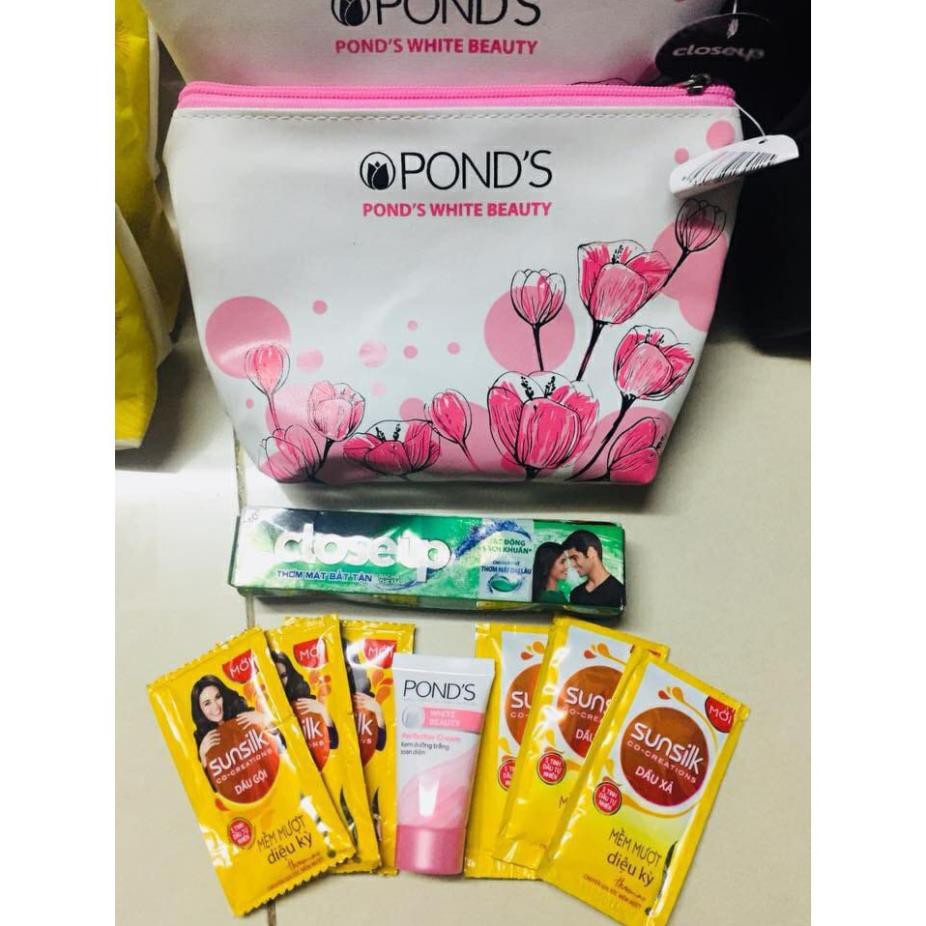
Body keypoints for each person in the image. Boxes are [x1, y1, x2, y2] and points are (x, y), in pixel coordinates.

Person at [190, 675, 273, 770]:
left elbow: (280, 745)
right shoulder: (202, 739)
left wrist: (263, 718)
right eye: (207, 703)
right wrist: (203, 755)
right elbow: (209, 778)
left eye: (218, 697)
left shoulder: (244, 715)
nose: (216, 707)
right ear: (199, 709)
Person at [271, 651, 338, 749]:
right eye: (275, 678)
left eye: (283, 675)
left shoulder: (308, 704)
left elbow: (332, 743)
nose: (280, 682)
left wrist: (323, 712)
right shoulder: (271, 714)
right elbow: (282, 749)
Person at [563, 530, 626, 608]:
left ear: (591, 552)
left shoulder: (619, 593)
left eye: (575, 558)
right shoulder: (576, 594)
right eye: (570, 560)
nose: (572, 565)